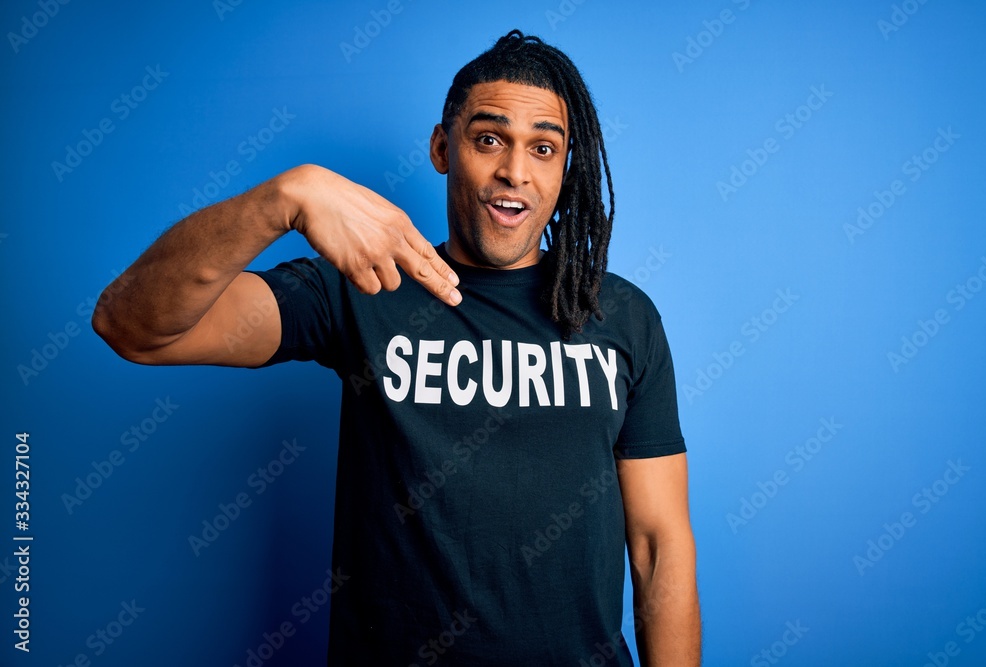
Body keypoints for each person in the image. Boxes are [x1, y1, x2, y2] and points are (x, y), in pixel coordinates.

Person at [93, 29, 700, 666]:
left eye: (542, 149)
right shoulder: (361, 286)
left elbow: (658, 544)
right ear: (443, 148)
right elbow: (130, 325)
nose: (514, 172)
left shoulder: (623, 315)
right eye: (488, 138)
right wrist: (282, 199)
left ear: (565, 167)